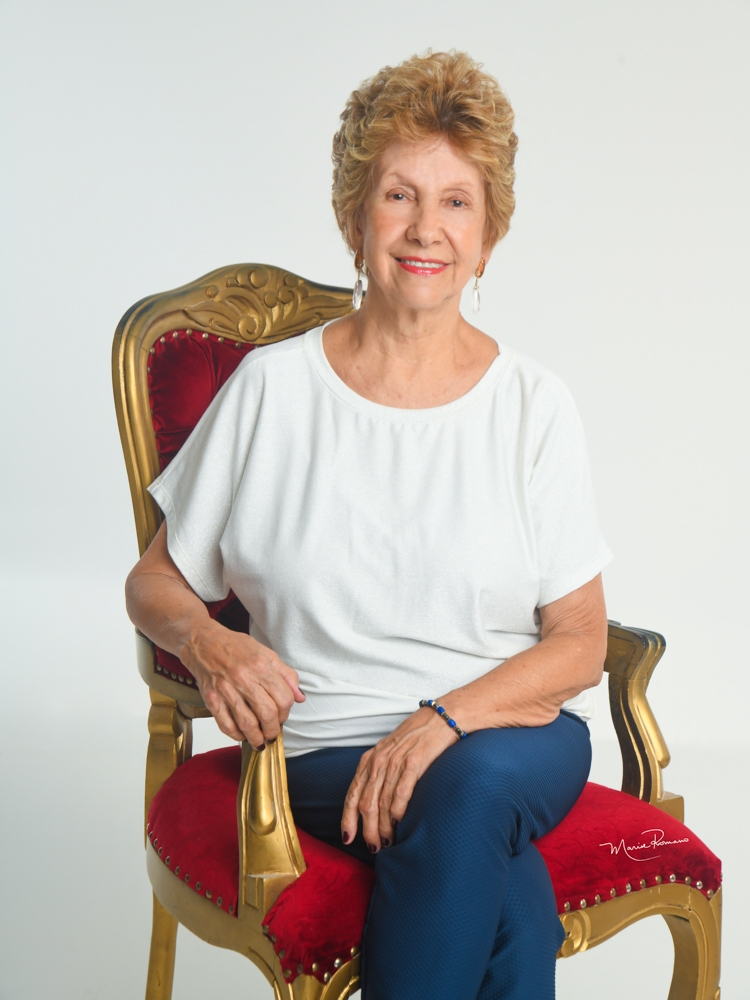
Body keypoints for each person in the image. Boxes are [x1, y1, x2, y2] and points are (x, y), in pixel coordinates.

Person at [126, 50, 612, 1000]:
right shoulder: (272, 390)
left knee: (469, 784)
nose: (426, 228)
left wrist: (442, 722)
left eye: (457, 202)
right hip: (325, 748)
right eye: (399, 196)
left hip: (512, 736)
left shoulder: (533, 405)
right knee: (506, 892)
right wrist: (210, 643)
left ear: (488, 235)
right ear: (357, 218)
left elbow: (580, 643)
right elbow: (154, 580)